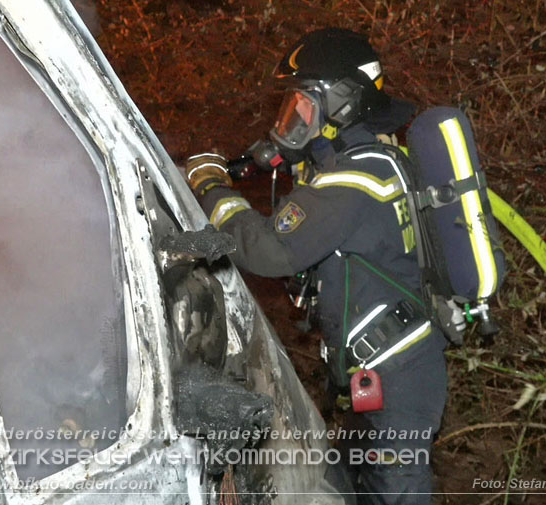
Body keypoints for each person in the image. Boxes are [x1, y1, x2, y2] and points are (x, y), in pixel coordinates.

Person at [185, 28, 448, 505]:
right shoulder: (362, 162)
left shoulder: (357, 177)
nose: (292, 119)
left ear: (341, 103)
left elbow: (269, 250)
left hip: (399, 379)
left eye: (302, 105)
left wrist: (211, 188)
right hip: (380, 373)